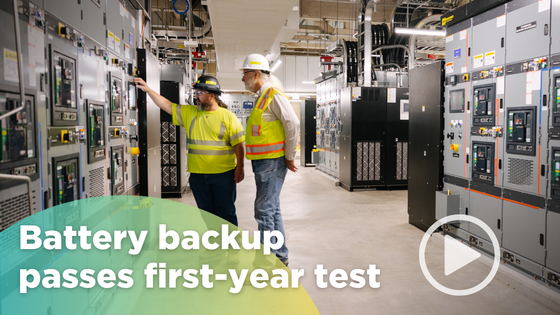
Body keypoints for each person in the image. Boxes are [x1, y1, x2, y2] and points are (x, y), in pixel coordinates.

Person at [133, 76, 245, 262]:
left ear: (212, 95)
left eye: (200, 93)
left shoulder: (228, 117)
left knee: (226, 213)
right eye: (196, 92)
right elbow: (167, 105)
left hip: (223, 175)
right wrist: (148, 89)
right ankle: (217, 247)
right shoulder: (190, 113)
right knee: (208, 214)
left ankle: (232, 251)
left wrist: (240, 168)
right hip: (198, 176)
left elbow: (239, 145)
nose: (196, 96)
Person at [240, 54, 300, 268]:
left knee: (264, 210)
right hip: (263, 162)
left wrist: (290, 156)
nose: (243, 78)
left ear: (256, 74)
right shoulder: (261, 97)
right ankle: (280, 255)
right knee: (271, 209)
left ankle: (264, 264)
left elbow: (292, 123)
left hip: (272, 162)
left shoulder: (272, 95)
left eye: (245, 74)